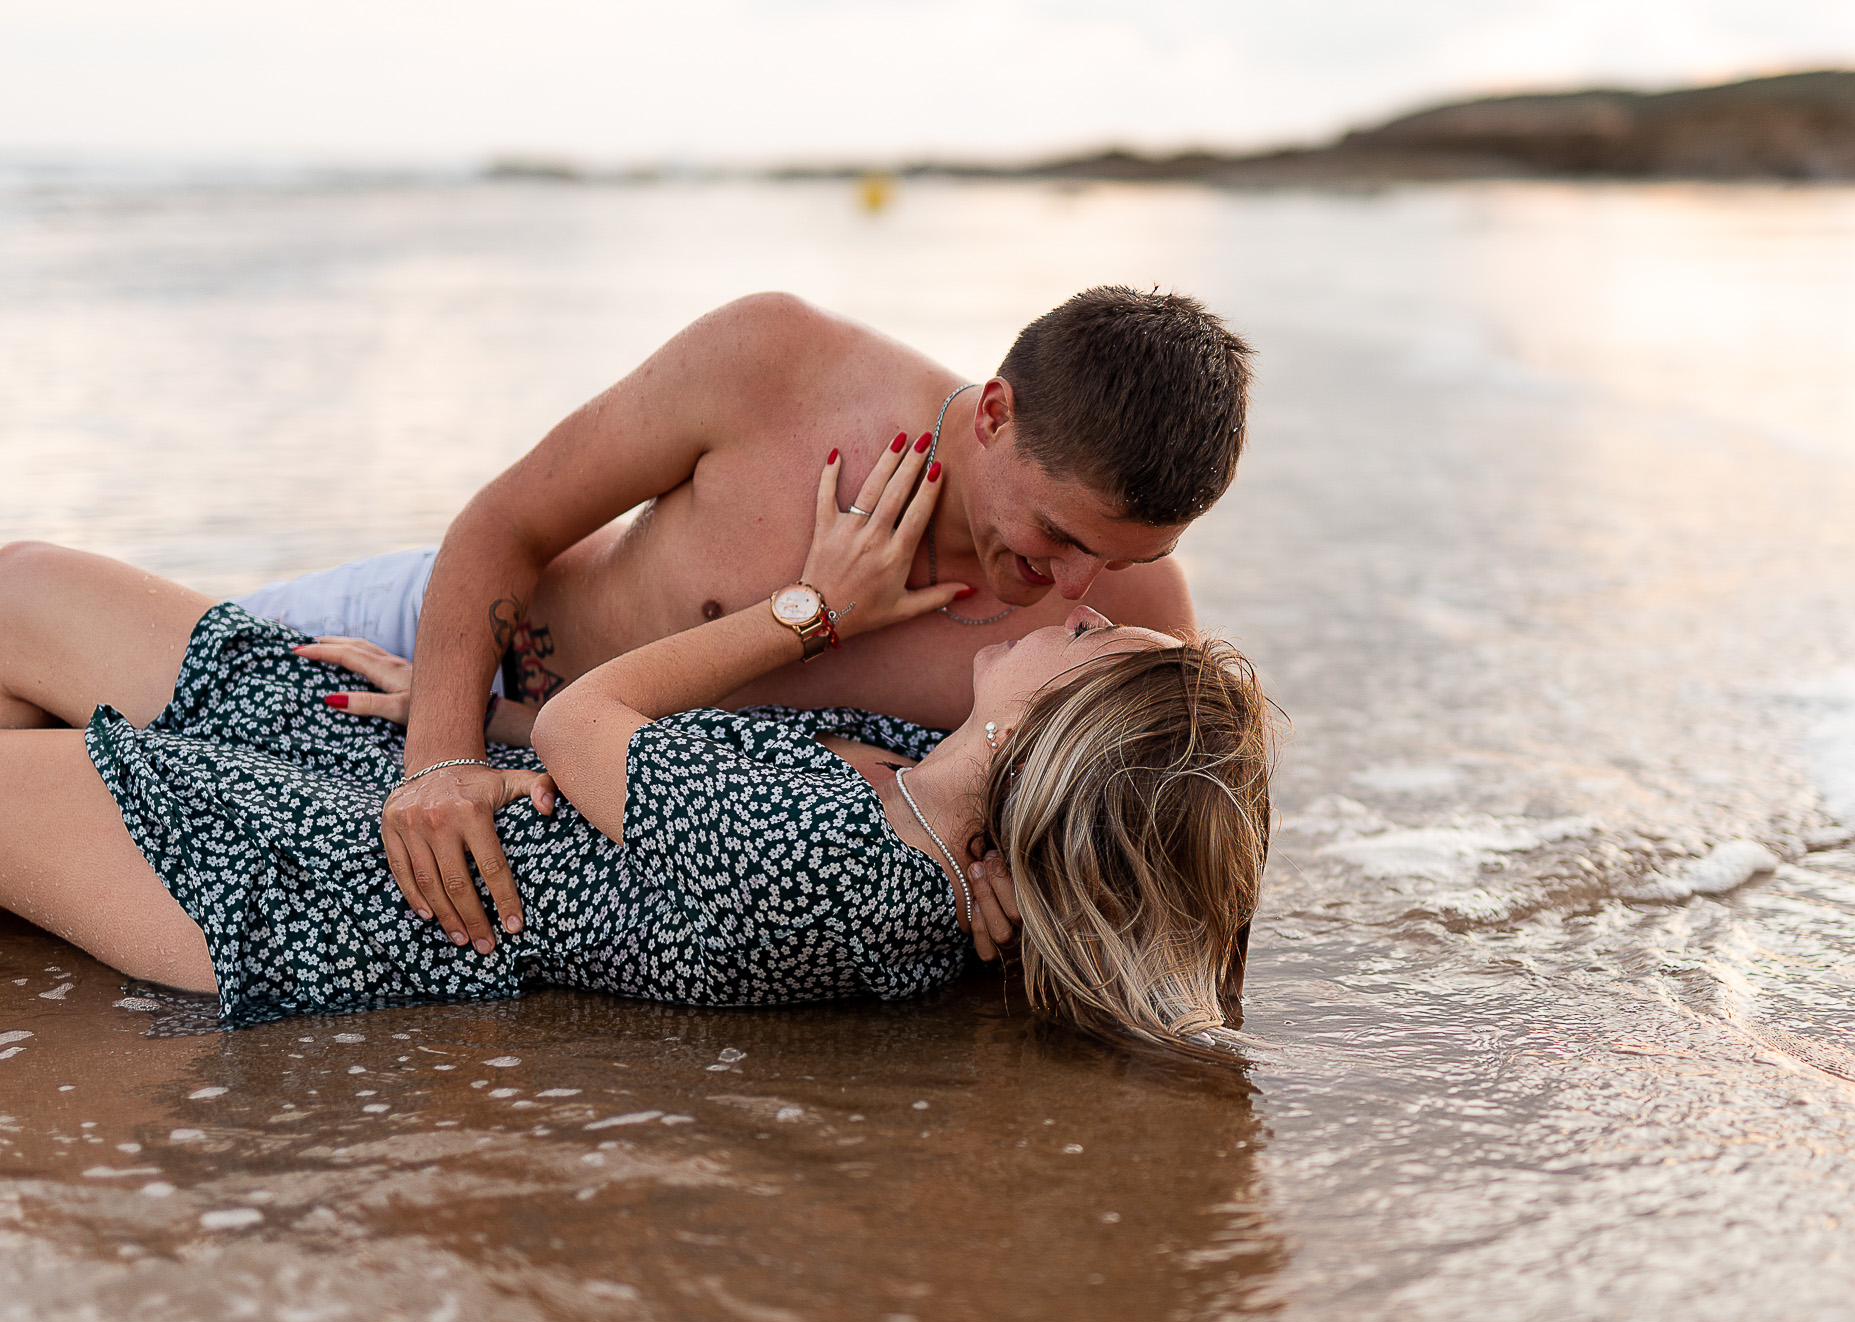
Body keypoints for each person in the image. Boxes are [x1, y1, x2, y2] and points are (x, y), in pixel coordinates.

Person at [0, 440, 1275, 1064]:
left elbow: (585, 724)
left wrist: (810, 611)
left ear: (1042, 731)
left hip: (351, 886)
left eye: (1099, 645)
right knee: (29, 587)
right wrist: (453, 718)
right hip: (452, 793)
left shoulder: (852, 871)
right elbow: (632, 756)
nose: (1093, 613)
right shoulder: (931, 796)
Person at [206, 285, 1256, 970]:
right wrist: (440, 752)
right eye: (1056, 533)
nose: (1075, 585)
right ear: (993, 415)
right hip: (435, 649)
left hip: (589, 835)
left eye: (1125, 559)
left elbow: (1158, 876)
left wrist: (1014, 890)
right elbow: (503, 525)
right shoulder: (781, 366)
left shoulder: (1131, 628)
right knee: (64, 651)